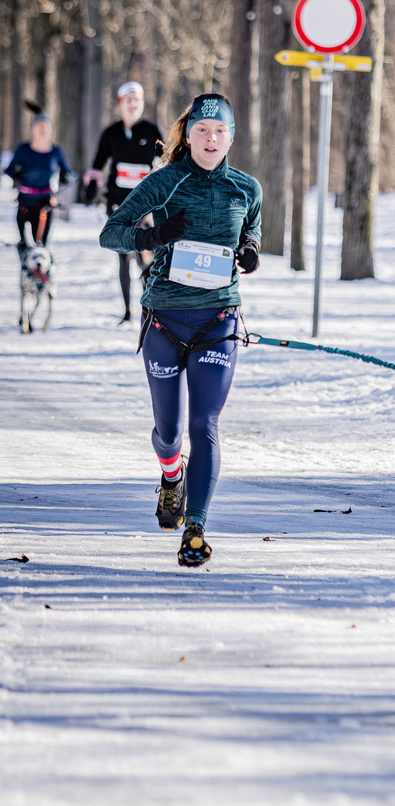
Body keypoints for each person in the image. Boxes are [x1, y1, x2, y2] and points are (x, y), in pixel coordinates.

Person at [99, 92, 262, 568]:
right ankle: (171, 477)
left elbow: (251, 230)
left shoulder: (246, 188)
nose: (211, 139)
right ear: (188, 135)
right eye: (202, 130)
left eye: (220, 131)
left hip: (219, 319)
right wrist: (153, 236)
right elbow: (112, 232)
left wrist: (250, 251)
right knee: (170, 434)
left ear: (231, 137)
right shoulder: (164, 182)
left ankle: (195, 528)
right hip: (166, 322)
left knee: (204, 424)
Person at [84, 81, 164, 322]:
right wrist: (90, 187)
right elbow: (97, 165)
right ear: (120, 104)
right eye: (127, 100)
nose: (132, 104)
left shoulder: (151, 131)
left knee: (147, 256)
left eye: (136, 100)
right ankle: (127, 311)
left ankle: (148, 306)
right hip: (119, 205)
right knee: (124, 256)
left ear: (142, 104)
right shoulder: (111, 133)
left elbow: (165, 162)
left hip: (147, 206)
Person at [5, 109, 72, 248]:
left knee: (41, 247)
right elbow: (8, 172)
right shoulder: (23, 150)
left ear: (50, 129)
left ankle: (42, 270)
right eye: (39, 125)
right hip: (25, 203)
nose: (42, 129)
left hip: (45, 205)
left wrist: (64, 178)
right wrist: (14, 176)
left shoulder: (56, 152)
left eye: (45, 125)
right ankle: (25, 269)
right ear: (33, 128)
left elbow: (68, 174)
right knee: (24, 246)